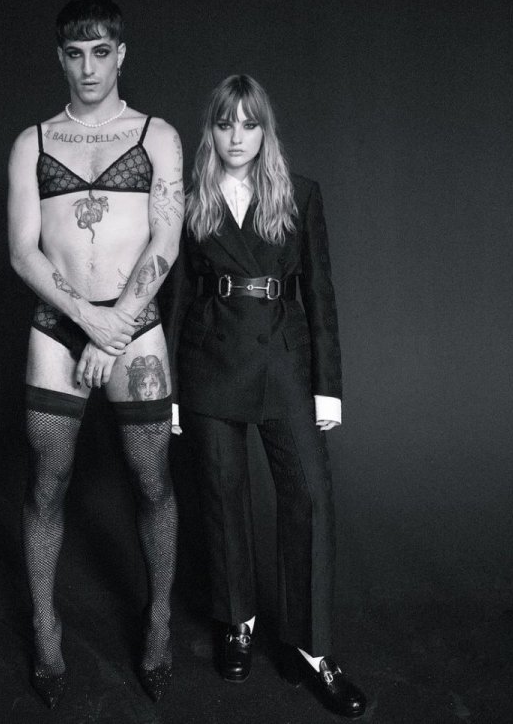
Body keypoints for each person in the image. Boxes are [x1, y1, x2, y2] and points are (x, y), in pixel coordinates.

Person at [167, 75, 366, 717]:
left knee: (309, 496)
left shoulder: (299, 193)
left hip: (284, 363)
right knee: (223, 497)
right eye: (225, 123)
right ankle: (238, 622)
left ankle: (310, 647)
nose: (237, 136)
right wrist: (169, 389)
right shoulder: (189, 199)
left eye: (249, 124)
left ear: (265, 130)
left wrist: (327, 388)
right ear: (212, 130)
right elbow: (176, 296)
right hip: (209, 363)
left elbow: (321, 295)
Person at [7, 0, 183, 708]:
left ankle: (159, 619)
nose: (88, 67)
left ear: (121, 55)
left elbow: (166, 239)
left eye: (101, 52)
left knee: (152, 481)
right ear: (60, 58)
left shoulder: (156, 135)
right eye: (75, 54)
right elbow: (22, 251)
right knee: (47, 483)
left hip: (135, 326)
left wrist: (116, 327)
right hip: (59, 324)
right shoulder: (33, 142)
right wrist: (88, 321)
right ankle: (44, 629)